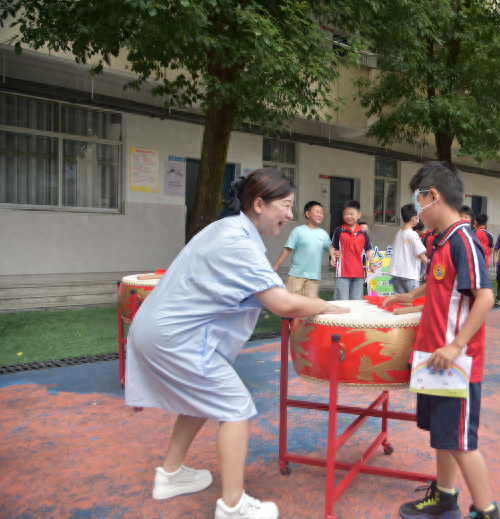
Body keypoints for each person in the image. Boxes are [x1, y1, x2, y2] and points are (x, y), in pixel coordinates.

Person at [125, 168, 349, 519]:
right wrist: (327, 306)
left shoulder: (227, 229)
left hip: (164, 331)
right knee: (235, 406)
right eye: (286, 206)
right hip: (176, 338)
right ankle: (232, 506)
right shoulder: (237, 242)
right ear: (259, 203)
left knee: (199, 399)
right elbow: (282, 304)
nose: (290, 215)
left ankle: (170, 475)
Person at [383, 161, 499, 519]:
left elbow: (485, 297)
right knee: (444, 435)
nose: (417, 209)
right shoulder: (444, 241)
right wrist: (410, 297)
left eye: (418, 200)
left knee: (462, 442)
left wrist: (455, 346)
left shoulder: (464, 240)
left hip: (455, 363)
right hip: (436, 359)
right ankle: (445, 495)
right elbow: (440, 283)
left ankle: (486, 511)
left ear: (432, 196)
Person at [271, 201, 331, 298]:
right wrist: (276, 266)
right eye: (317, 212)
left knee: (310, 307)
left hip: (314, 277)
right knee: (291, 304)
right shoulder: (298, 231)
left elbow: (331, 249)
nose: (320, 215)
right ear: (307, 214)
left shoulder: (323, 234)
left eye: (321, 212)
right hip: (296, 275)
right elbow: (287, 249)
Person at [329, 200, 377, 300]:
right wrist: (333, 256)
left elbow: (368, 249)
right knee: (342, 302)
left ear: (359, 215)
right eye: (345, 214)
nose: (348, 216)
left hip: (358, 273)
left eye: (351, 214)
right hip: (342, 272)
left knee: (357, 303)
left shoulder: (363, 233)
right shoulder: (339, 230)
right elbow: (333, 246)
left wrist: (371, 263)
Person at [388, 203, 428, 294]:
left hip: (396, 273)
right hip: (410, 273)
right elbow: (421, 255)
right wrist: (431, 265)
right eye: (417, 217)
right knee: (413, 302)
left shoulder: (399, 233)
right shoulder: (413, 234)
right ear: (414, 218)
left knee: (401, 301)